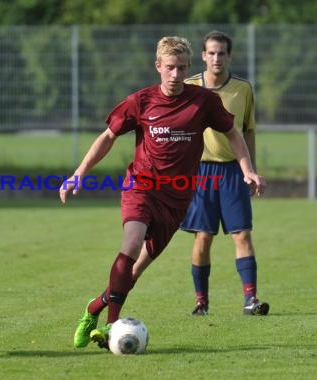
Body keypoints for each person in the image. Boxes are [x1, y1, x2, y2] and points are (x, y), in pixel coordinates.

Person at [61, 36, 266, 350]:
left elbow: (233, 133)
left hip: (177, 199)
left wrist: (247, 168)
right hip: (141, 187)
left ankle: (95, 307)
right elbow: (107, 137)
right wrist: (79, 174)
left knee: (136, 268)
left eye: (181, 68)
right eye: (170, 68)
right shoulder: (141, 101)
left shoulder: (203, 101)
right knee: (130, 245)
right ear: (158, 66)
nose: (175, 75)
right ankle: (113, 326)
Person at [180, 31, 269, 316]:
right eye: (211, 53)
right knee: (203, 237)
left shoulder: (243, 89)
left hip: (233, 171)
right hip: (199, 172)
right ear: (203, 56)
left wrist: (250, 170)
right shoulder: (188, 85)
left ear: (229, 56)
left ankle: (250, 300)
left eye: (222, 53)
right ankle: (201, 302)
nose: (216, 58)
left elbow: (248, 130)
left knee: (242, 234)